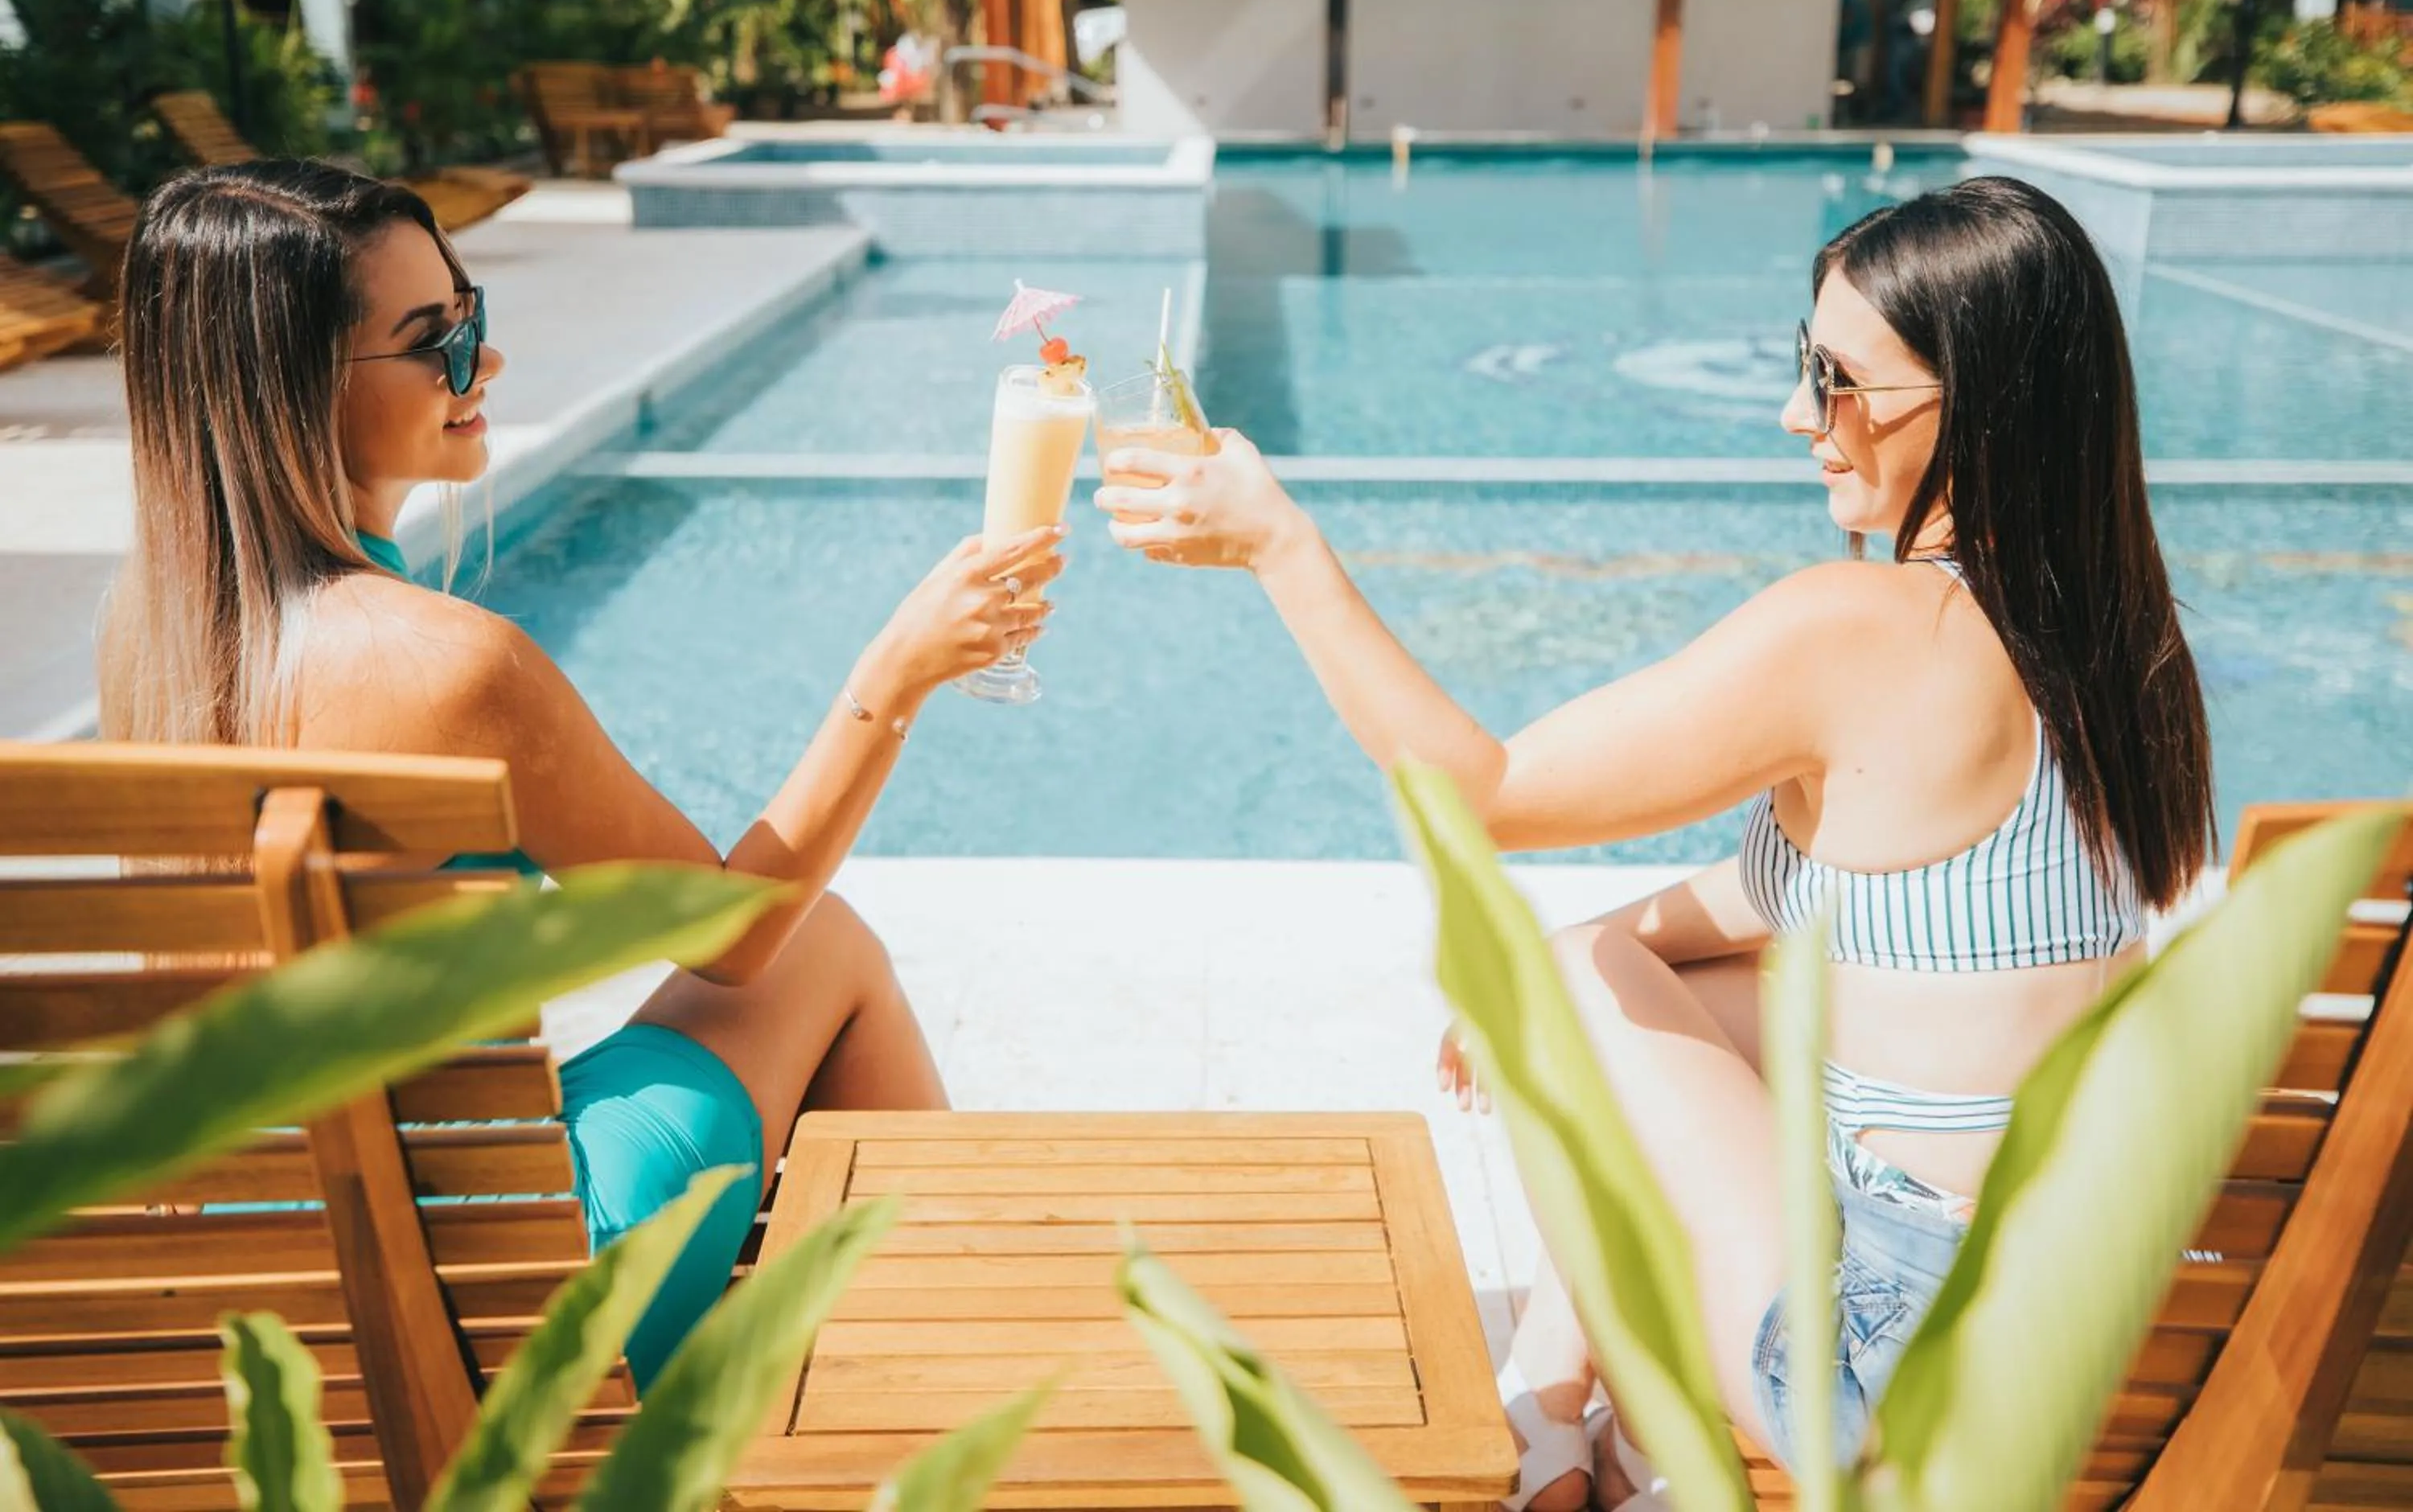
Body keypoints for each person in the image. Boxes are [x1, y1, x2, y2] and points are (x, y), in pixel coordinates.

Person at [1094, 176, 2214, 1510]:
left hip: (1890, 1386)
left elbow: (1484, 793)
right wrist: (1619, 955)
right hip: (2080, 1319)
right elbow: (1798, 894)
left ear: (1982, 401)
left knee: (1550, 985)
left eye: (1843, 382)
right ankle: (1566, 1400)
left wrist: (1282, 548)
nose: (1801, 414)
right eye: (1807, 364)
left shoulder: (1865, 633)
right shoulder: (2117, 643)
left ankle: (1592, 1427)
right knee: (1644, 976)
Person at [100, 160, 1063, 1388]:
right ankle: (951, 1380)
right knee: (822, 949)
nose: (484, 366)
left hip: (268, 1303)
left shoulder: (154, 638)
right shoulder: (453, 670)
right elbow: (734, 934)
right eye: (436, 343)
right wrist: (897, 672)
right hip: (489, 1320)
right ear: (293, 393)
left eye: (475, 317)